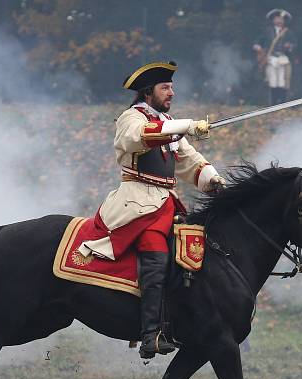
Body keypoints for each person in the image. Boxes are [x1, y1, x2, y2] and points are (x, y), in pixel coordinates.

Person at [78, 61, 225, 359]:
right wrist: (185, 126)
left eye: (171, 87)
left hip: (165, 202)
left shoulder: (167, 123)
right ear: (148, 92)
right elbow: (140, 137)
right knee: (156, 255)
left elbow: (189, 161)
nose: (171, 92)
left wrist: (214, 180)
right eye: (165, 88)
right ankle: (150, 334)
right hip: (137, 204)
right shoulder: (130, 118)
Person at [253, 9, 295, 105]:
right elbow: (258, 42)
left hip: (283, 58)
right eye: (277, 18)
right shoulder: (267, 31)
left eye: (281, 19)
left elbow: (294, 45)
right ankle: (273, 103)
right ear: (273, 20)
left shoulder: (288, 32)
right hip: (270, 58)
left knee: (282, 81)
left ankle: (283, 103)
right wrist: (257, 47)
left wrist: (289, 46)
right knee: (272, 81)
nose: (279, 20)